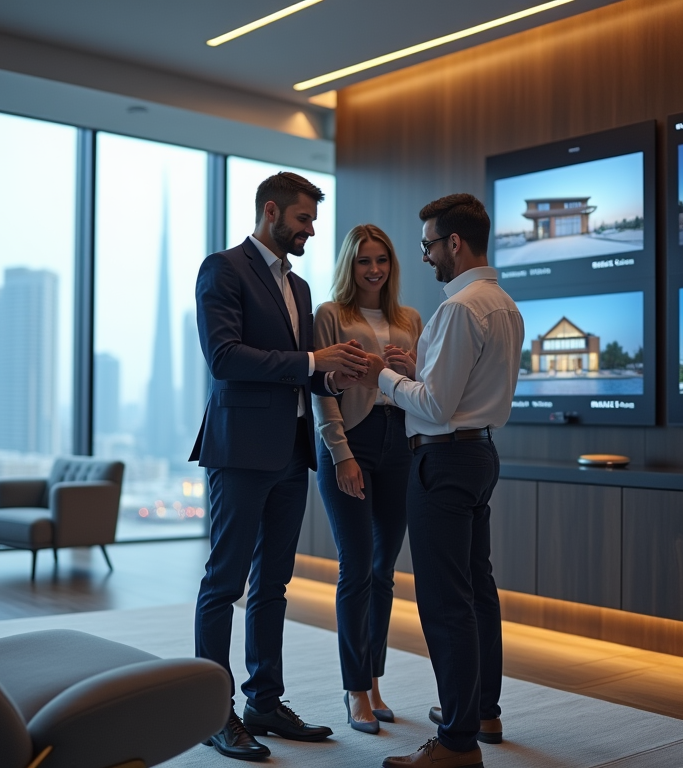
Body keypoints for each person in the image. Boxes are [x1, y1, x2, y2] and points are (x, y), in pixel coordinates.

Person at [191, 171, 369, 761]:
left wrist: (334, 370)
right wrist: (311, 358)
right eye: (303, 220)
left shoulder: (300, 286)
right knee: (224, 584)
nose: (311, 231)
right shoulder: (222, 269)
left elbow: (301, 368)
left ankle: (264, 702)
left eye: (313, 221)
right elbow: (224, 357)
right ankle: (213, 714)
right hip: (240, 450)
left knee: (273, 585)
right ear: (271, 212)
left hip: (293, 451)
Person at [361, 194, 524, 768]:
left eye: (430, 244)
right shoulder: (503, 304)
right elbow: (459, 390)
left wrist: (381, 376)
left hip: (443, 461)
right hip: (479, 456)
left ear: (454, 243)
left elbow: (433, 407)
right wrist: (416, 371)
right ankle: (480, 711)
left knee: (445, 602)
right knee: (477, 591)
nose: (426, 256)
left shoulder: (459, 309)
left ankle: (457, 744)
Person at [313, 224, 423, 734]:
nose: (374, 269)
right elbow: (321, 391)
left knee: (383, 571)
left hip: (398, 439)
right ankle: (354, 689)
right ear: (349, 266)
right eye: (363, 261)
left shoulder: (409, 319)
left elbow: (423, 390)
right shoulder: (331, 315)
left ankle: (374, 681)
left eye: (381, 260)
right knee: (355, 568)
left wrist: (410, 370)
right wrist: (341, 455)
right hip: (350, 439)